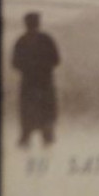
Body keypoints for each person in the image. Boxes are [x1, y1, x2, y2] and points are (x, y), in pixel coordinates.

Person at [11, 12, 61, 147]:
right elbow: (56, 60)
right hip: (44, 82)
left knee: (28, 110)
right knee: (45, 110)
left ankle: (27, 137)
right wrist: (43, 67)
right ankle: (46, 137)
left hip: (29, 83)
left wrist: (29, 68)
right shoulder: (46, 39)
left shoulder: (21, 41)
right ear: (38, 23)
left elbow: (15, 63)